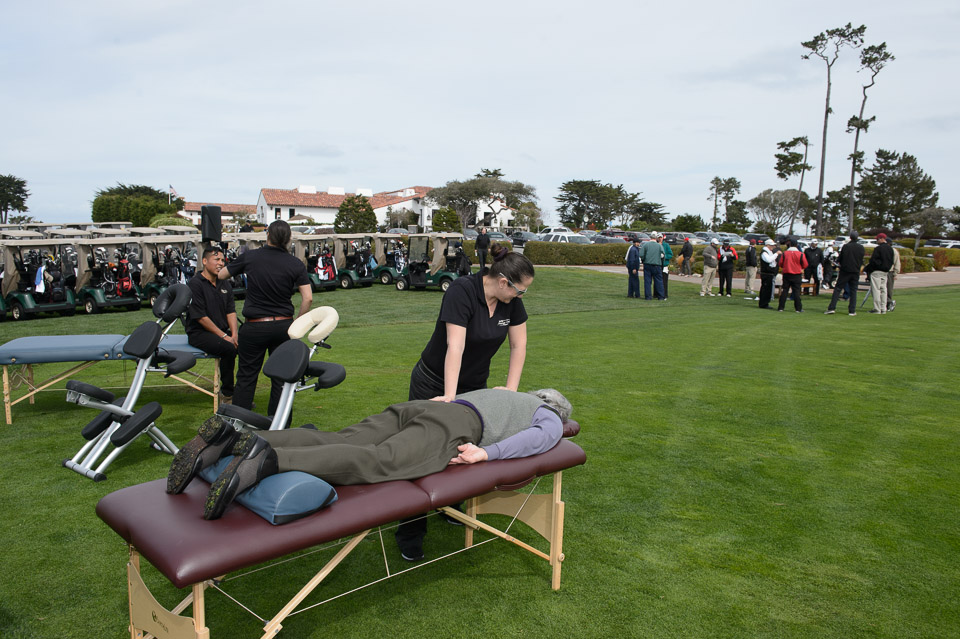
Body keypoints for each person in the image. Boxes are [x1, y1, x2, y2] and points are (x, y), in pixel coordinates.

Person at [166, 388, 572, 520]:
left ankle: (237, 439)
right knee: (377, 460)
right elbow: (540, 439)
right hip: (454, 425)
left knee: (340, 438)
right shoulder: (547, 413)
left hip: (424, 407)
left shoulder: (504, 393)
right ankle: (269, 460)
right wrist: (487, 453)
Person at [401, 243, 534, 559]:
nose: (522, 295)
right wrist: (449, 396)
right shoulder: (462, 291)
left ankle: (450, 505)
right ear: (503, 282)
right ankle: (410, 531)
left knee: (465, 449)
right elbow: (455, 346)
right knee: (422, 451)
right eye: (520, 290)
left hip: (475, 386)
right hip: (434, 381)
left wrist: (511, 391)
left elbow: (519, 346)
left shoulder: (511, 302)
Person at [218, 220, 312, 414]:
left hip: (255, 326)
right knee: (281, 378)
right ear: (288, 239)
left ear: (267, 235)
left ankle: (239, 423)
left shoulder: (251, 257)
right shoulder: (295, 263)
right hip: (283, 326)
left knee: (246, 376)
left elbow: (222, 275)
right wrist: (297, 323)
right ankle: (278, 422)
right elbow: (308, 298)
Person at [186, 246, 238, 405]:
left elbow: (231, 311)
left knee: (248, 344)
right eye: (217, 259)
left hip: (223, 331)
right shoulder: (195, 284)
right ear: (204, 261)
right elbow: (201, 318)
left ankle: (243, 393)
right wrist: (225, 337)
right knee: (228, 348)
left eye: (222, 260)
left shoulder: (225, 284)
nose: (221, 263)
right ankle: (228, 395)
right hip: (199, 333)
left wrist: (234, 335)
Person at [824, 231, 866, 316]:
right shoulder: (861, 247)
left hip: (845, 271)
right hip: (855, 271)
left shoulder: (846, 246)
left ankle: (832, 308)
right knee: (853, 291)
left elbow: (840, 259)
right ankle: (852, 310)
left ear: (850, 237)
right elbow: (861, 260)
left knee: (838, 288)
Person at [864, 232, 894, 314]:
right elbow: (891, 261)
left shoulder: (878, 249)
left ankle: (877, 308)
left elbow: (873, 261)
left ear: (882, 239)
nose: (877, 241)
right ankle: (883, 308)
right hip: (886, 272)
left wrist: (870, 269)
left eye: (877, 239)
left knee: (876, 290)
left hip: (877, 271)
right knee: (884, 290)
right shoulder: (890, 249)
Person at [777, 239, 808, 312]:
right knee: (796, 291)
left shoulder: (785, 253)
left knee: (785, 290)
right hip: (796, 274)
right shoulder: (800, 254)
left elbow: (780, 263)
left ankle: (781, 307)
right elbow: (805, 264)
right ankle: (798, 308)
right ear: (797, 245)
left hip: (786, 274)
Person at [640, 235, 665, 300]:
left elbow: (641, 255)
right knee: (659, 281)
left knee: (647, 281)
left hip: (647, 264)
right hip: (657, 265)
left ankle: (648, 296)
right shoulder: (659, 246)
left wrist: (644, 260)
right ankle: (661, 296)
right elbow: (662, 255)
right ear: (656, 238)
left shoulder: (646, 245)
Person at [758, 239, 781, 309]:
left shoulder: (769, 252)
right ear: (767, 245)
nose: (773, 247)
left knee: (768, 289)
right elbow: (769, 260)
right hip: (766, 273)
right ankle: (763, 303)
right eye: (771, 245)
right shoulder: (764, 253)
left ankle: (766, 303)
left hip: (770, 273)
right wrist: (776, 254)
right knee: (765, 289)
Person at [658, 233, 673, 300]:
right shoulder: (656, 245)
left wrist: (664, 256)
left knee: (664, 281)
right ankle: (656, 294)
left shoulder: (666, 245)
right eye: (658, 237)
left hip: (664, 265)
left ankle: (665, 294)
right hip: (657, 265)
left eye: (661, 237)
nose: (660, 239)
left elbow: (670, 254)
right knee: (657, 281)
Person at [886, 242, 900, 312]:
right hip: (886, 271)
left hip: (890, 272)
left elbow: (897, 263)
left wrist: (895, 273)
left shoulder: (893, 251)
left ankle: (889, 303)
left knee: (889, 289)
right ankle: (887, 304)